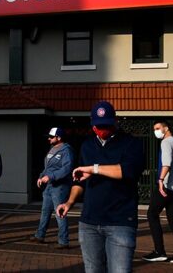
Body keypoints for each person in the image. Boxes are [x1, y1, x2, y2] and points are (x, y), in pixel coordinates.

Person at [57, 101, 145, 273]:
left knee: (120, 270)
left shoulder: (131, 144)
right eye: (98, 126)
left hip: (120, 222)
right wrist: (69, 203)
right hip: (89, 222)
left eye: (106, 125)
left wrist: (94, 168)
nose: (102, 130)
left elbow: (127, 171)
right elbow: (79, 180)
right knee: (92, 270)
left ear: (115, 122)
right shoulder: (87, 146)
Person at [144, 120, 173, 266]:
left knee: (152, 214)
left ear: (166, 128)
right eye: (154, 129)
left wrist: (160, 180)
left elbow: (167, 163)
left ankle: (159, 252)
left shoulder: (166, 142)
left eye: (158, 128)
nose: (155, 131)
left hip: (167, 186)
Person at [31, 127, 74, 249]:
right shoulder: (52, 149)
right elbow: (47, 168)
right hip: (49, 186)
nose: (49, 139)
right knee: (45, 212)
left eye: (51, 137)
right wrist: (41, 176)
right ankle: (40, 235)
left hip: (59, 186)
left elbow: (67, 168)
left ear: (59, 138)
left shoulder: (66, 150)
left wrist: (51, 176)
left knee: (59, 213)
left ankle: (63, 241)